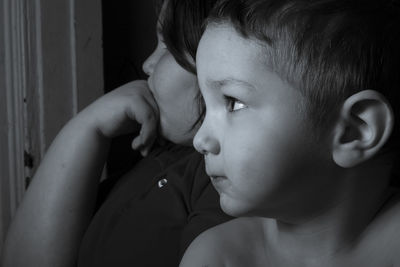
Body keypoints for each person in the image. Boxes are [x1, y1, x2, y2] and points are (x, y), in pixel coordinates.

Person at [2, 0, 231, 266]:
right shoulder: (161, 155)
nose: (147, 64)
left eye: (167, 47)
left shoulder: (222, 181)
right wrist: (89, 126)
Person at [180, 0, 400, 266]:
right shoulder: (216, 258)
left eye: (234, 103)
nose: (200, 140)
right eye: (206, 104)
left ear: (354, 131)